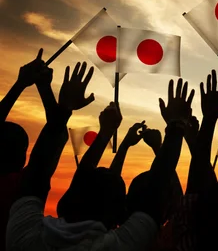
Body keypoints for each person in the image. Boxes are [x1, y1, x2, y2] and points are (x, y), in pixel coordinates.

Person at [6, 65, 193, 251]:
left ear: (66, 199)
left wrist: (69, 113)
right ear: (120, 214)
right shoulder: (119, 246)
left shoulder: (24, 236)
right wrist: (176, 127)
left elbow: (37, 173)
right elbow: (156, 190)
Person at [0, 50, 50, 251]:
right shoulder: (22, 188)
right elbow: (53, 136)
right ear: (22, 158)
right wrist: (45, 89)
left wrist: (20, 84)